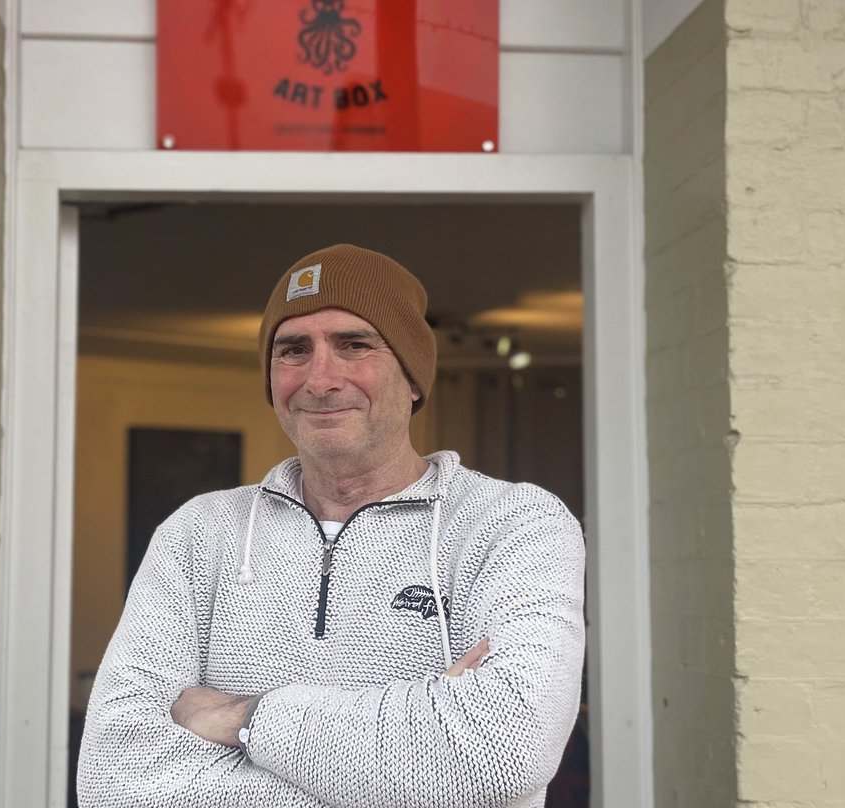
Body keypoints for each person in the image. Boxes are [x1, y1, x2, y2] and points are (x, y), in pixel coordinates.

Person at [76, 244, 586, 808]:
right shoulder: (198, 532)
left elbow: (502, 752)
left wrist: (242, 717)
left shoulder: (515, 524)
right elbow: (112, 777)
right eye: (293, 350)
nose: (320, 378)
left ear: (414, 378)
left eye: (354, 345)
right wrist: (419, 754)